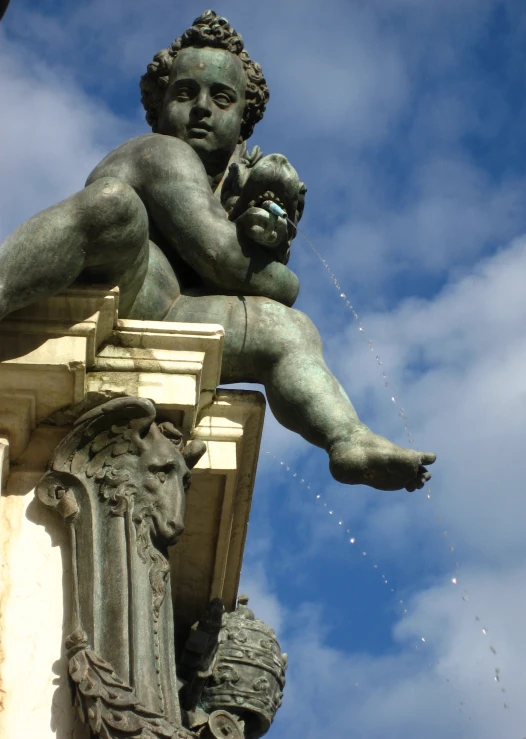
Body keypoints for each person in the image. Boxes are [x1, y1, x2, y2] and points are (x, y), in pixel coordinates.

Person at [0, 10, 435, 491]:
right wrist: (262, 259)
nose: (201, 108)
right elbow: (226, 261)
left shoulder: (226, 187)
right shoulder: (158, 153)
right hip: (114, 283)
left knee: (286, 331)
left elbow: (263, 287)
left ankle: (348, 438)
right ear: (159, 106)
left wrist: (257, 224)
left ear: (243, 118)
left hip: (164, 310)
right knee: (115, 207)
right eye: (184, 93)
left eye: (220, 98)